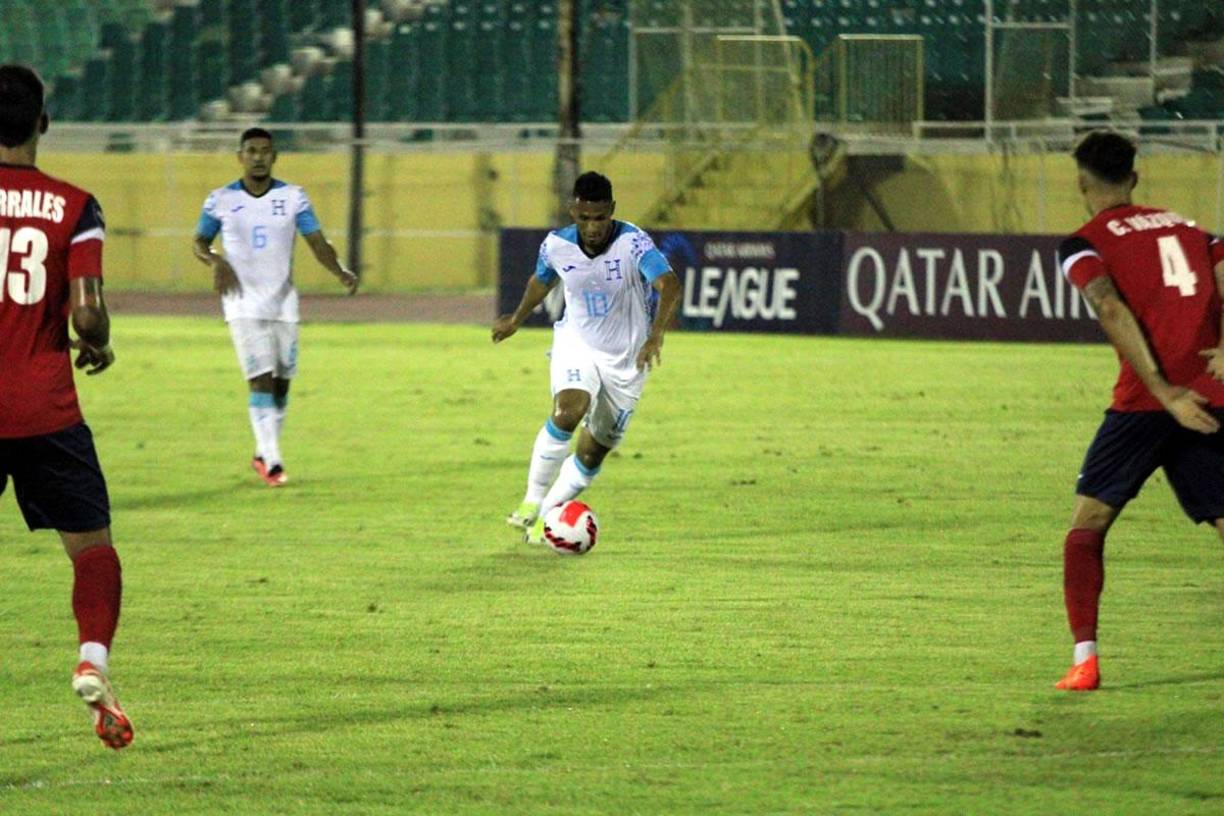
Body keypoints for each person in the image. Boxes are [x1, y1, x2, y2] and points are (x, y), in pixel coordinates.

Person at [1055, 130, 1224, 691]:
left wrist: (1161, 387)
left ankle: (1085, 660)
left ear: (1082, 182)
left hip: (1145, 403)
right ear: (1135, 177)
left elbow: (1108, 305)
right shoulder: (1191, 229)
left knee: (1088, 525)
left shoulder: (1085, 242)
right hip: (1209, 395)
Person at [0, 64, 132, 748]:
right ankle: (92, 659)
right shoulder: (75, 205)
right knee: (91, 550)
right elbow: (86, 313)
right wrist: (98, 343)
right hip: (44, 410)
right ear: (42, 123)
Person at [492, 171, 682, 543]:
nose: (592, 227)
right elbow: (541, 280)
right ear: (572, 211)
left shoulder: (633, 243)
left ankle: (546, 518)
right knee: (567, 411)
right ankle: (531, 503)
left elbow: (669, 284)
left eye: (599, 218)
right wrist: (516, 319)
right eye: (584, 218)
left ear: (611, 210)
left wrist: (655, 335)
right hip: (576, 342)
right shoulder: (556, 245)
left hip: (626, 362)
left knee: (591, 454)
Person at [192, 128, 358, 486]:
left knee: (282, 384)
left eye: (265, 151)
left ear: (275, 155)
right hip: (242, 303)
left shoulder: (293, 197)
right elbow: (200, 242)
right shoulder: (219, 199)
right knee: (261, 379)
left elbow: (317, 241)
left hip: (284, 303)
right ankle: (274, 461)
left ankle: (262, 452)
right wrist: (215, 261)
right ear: (240, 156)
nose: (258, 157)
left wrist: (340, 271)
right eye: (251, 151)